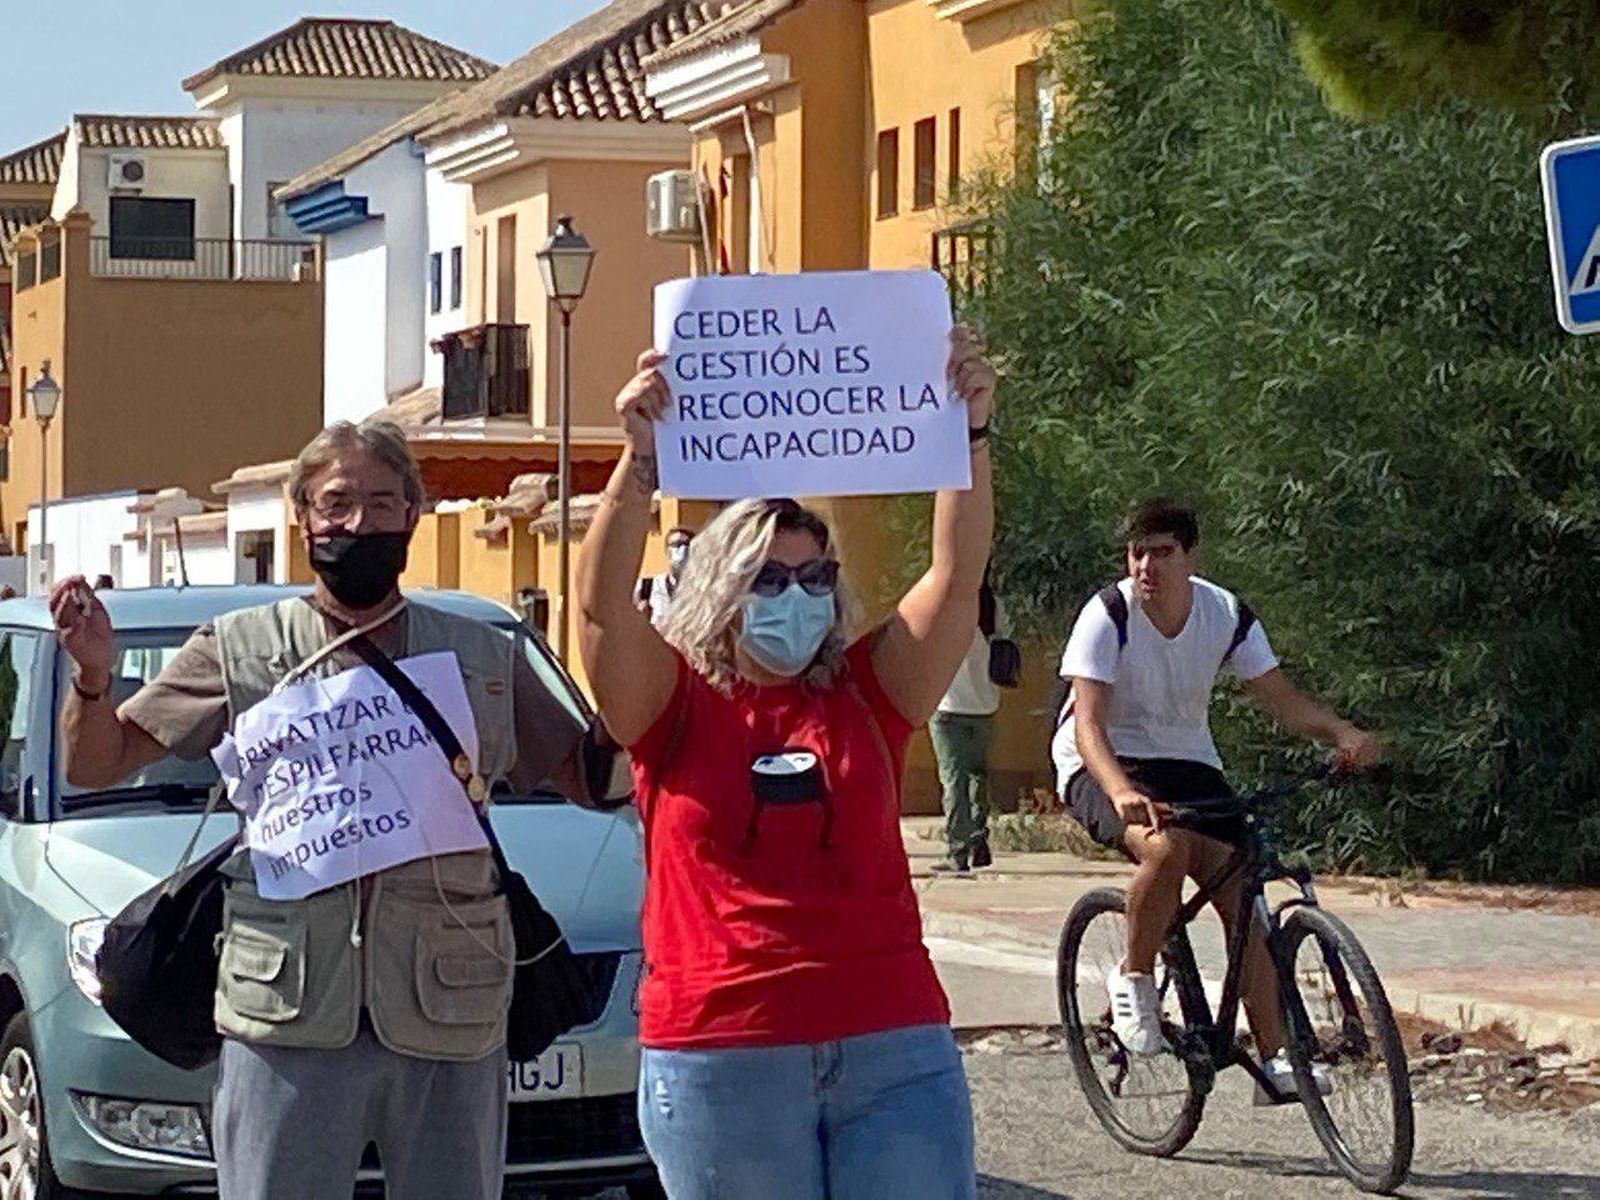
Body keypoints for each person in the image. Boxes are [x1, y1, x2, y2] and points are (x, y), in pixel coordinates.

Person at [52, 417, 605, 1200]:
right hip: (286, 1006)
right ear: (302, 515)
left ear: (414, 514)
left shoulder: (482, 653)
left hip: (451, 1002)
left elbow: (592, 777)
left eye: (382, 503)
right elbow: (97, 761)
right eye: (337, 503)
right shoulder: (237, 647)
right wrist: (93, 678)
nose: (358, 524)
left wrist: (629, 662)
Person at [576, 329, 997, 1199]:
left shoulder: (870, 692)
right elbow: (600, 608)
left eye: (814, 579)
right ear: (723, 591)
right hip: (722, 1055)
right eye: (768, 580)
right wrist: (639, 465)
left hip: (895, 1045)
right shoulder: (674, 702)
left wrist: (971, 433)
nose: (795, 599)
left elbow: (957, 580)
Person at [1051, 497, 1379, 1100]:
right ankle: (1136, 982)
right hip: (1100, 761)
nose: (1147, 565)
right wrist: (1120, 790)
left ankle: (1278, 1059)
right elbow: (1087, 725)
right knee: (1165, 851)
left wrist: (1341, 732)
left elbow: (1278, 697)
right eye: (1137, 552)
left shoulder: (1223, 613)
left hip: (1187, 762)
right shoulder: (1108, 614)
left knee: (1243, 887)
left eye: (1162, 552)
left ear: (1189, 556)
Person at [929, 575, 1008, 872]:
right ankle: (979, 842)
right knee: (977, 775)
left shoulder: (947, 603)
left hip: (948, 703)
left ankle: (957, 850)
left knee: (953, 779)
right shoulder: (992, 605)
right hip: (984, 702)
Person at [635, 525, 694, 626]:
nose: (683, 548)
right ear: (667, 552)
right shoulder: (647, 587)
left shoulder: (702, 589)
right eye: (677, 544)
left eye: (687, 544)